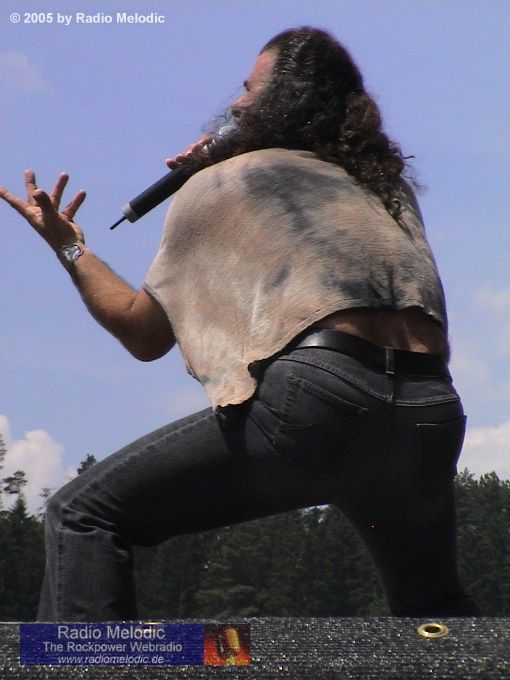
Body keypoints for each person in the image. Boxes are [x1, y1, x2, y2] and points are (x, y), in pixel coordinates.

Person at [0, 27, 479, 621]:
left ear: (278, 101)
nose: (236, 103)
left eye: (250, 89)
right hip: (430, 413)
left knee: (83, 515)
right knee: (434, 608)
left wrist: (71, 247)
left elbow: (142, 334)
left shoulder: (227, 180)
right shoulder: (388, 190)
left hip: (322, 400)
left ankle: (89, 661)